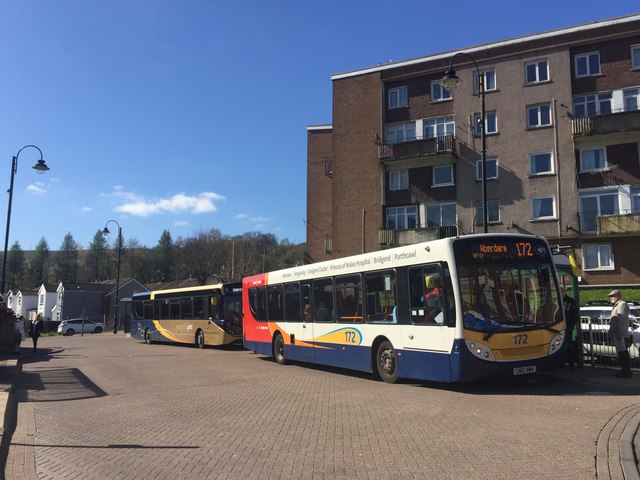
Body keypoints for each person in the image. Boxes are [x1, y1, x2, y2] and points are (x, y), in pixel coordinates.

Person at [608, 290, 632, 378]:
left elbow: (621, 320)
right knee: (621, 353)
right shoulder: (617, 305)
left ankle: (626, 372)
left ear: (618, 296)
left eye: (613, 296)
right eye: (610, 296)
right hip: (617, 333)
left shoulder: (622, 304)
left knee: (623, 353)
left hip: (620, 334)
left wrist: (619, 334)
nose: (611, 298)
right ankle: (624, 370)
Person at [562, 287, 579, 370]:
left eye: (562, 290)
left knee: (569, 345)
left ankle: (571, 364)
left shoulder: (570, 301)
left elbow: (575, 314)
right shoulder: (555, 301)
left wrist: (571, 324)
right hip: (557, 327)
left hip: (567, 326)